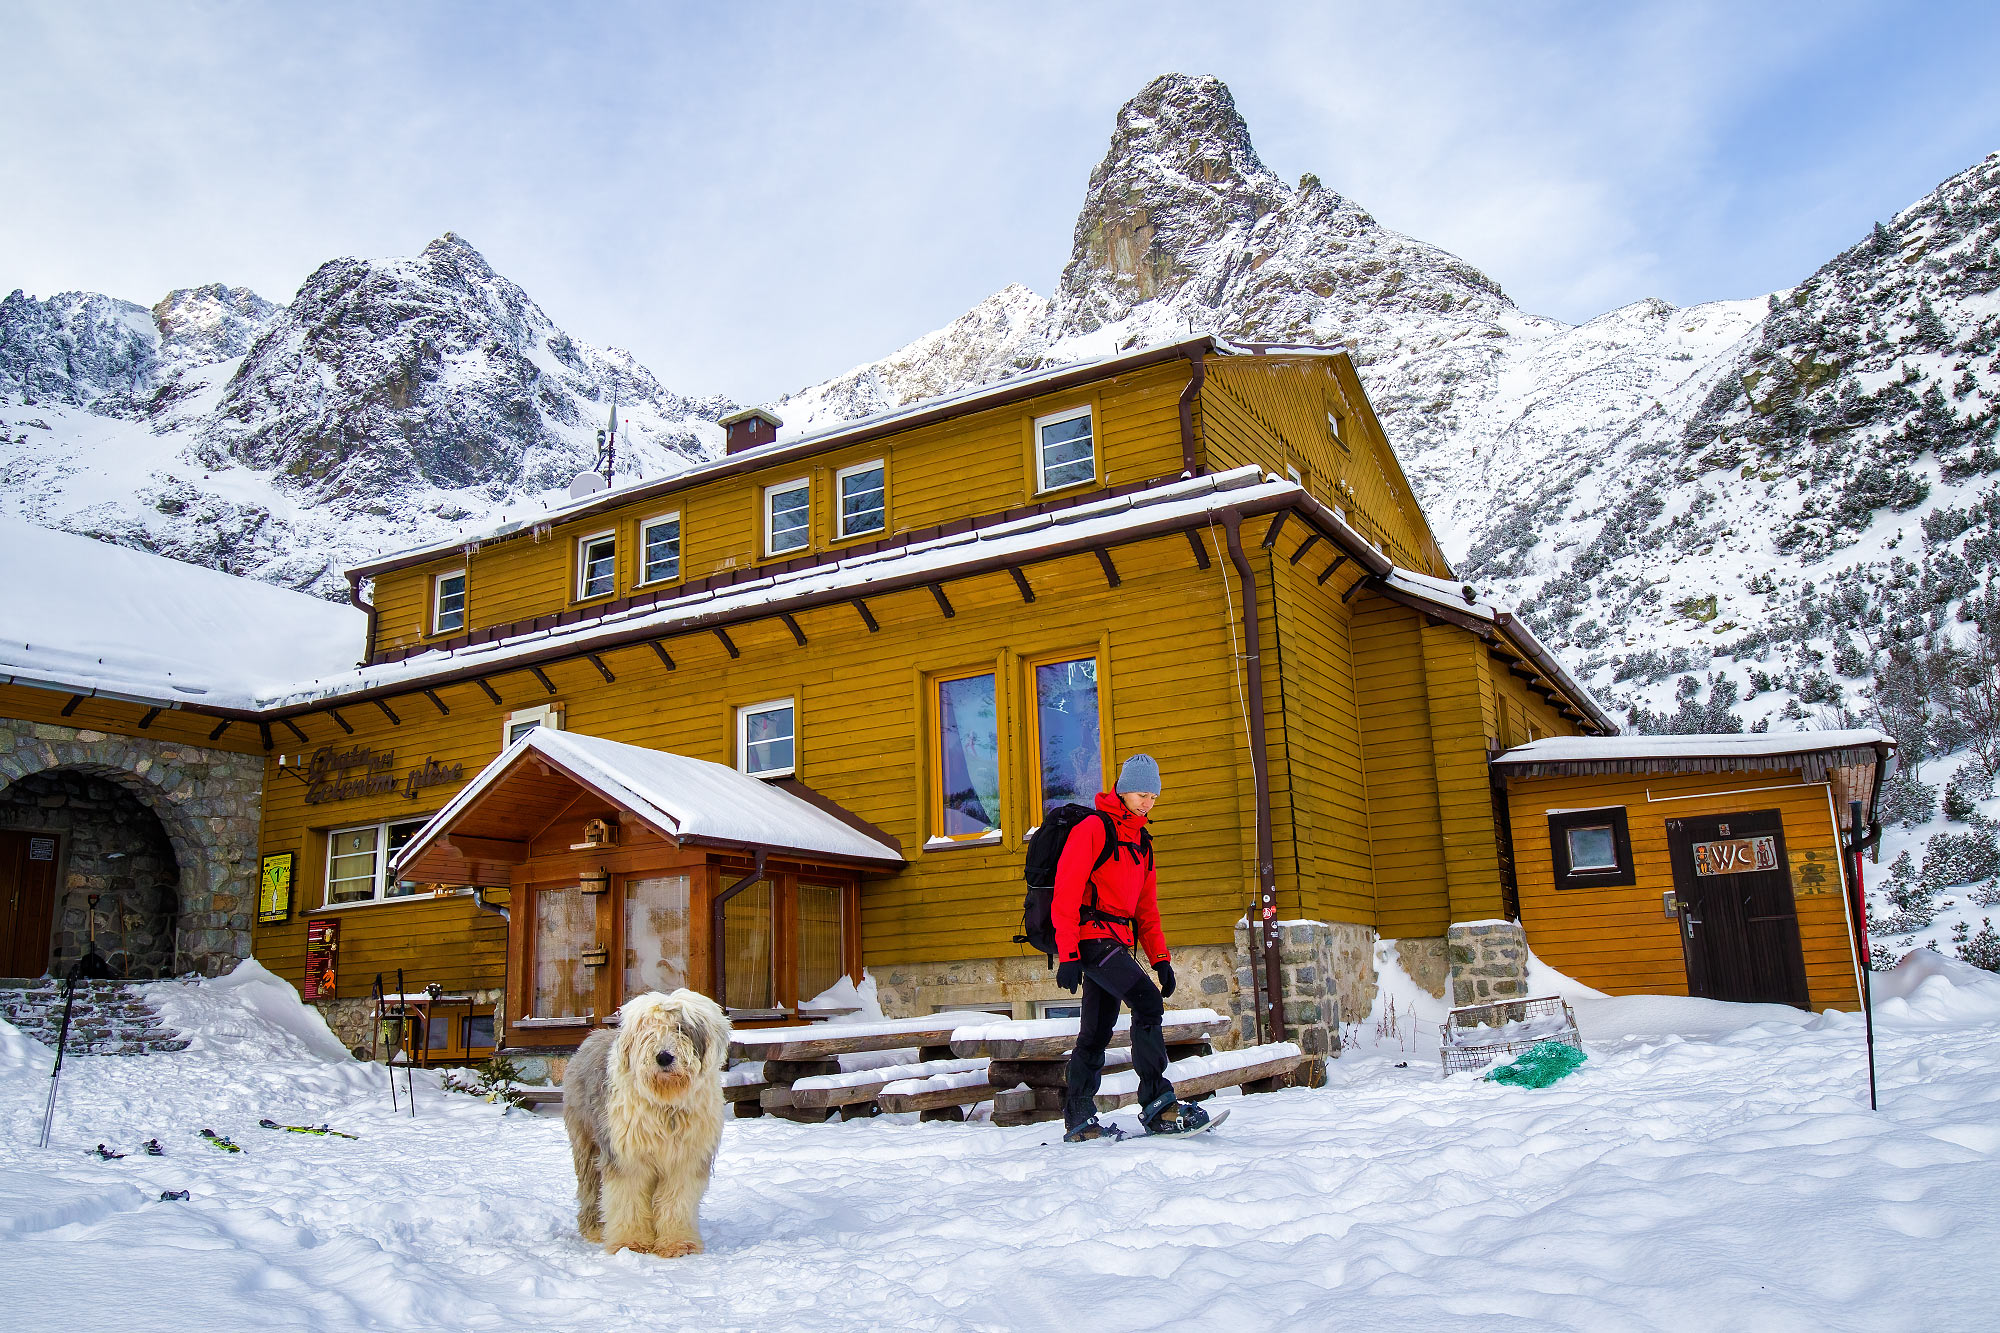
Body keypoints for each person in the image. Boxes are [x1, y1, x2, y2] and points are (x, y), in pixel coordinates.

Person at [1054, 753, 1209, 1140]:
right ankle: (1159, 1105)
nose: (1147, 803)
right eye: (1141, 794)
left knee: (1096, 1029)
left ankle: (1078, 1117)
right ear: (1123, 791)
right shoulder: (1093, 828)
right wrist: (1069, 953)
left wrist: (1161, 958)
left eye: (1153, 797)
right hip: (1091, 937)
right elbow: (1066, 891)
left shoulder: (1142, 841)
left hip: (1117, 941)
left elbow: (1146, 907)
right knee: (1148, 1003)